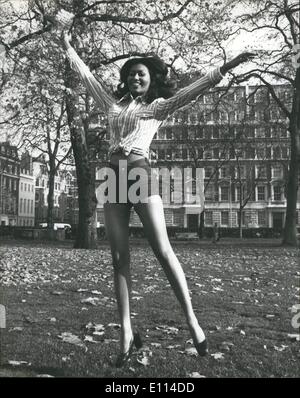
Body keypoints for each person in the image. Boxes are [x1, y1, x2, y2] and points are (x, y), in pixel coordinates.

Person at [56, 10, 255, 367]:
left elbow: (194, 90)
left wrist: (227, 66)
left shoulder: (158, 107)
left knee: (162, 251)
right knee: (118, 258)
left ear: (150, 81)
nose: (136, 76)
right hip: (111, 176)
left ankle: (193, 323)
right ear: (126, 79)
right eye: (131, 73)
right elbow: (86, 77)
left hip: (139, 170)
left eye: (142, 74)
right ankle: (126, 334)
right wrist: (67, 43)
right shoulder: (112, 104)